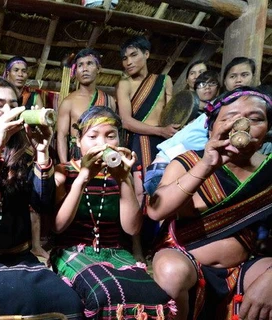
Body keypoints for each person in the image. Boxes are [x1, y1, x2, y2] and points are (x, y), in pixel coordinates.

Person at [0, 76, 84, 318]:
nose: (9, 111)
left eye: (13, 104)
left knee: (68, 303)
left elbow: (42, 204)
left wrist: (42, 152)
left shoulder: (24, 154)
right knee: (17, 302)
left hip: (21, 256)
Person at [148, 87, 272, 320]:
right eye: (229, 118)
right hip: (184, 258)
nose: (241, 125)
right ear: (212, 126)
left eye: (255, 119)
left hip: (245, 265)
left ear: (268, 128)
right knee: (171, 272)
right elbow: (156, 211)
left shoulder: (269, 171)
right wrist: (207, 166)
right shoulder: (189, 161)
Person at [51, 106, 176, 319]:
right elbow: (58, 227)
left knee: (151, 296)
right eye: (93, 136)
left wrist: (123, 179)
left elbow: (132, 227)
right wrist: (83, 177)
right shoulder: (65, 172)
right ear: (78, 140)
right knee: (104, 293)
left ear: (120, 140)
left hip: (115, 252)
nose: (103, 144)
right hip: (72, 250)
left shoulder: (123, 174)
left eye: (111, 136)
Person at [144, 58, 255, 196]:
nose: (238, 80)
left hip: (171, 168)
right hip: (163, 171)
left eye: (244, 75)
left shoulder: (220, 110)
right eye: (233, 76)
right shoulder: (216, 111)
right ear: (225, 82)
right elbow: (190, 141)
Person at [116, 35, 178, 261]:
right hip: (138, 142)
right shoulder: (124, 84)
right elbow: (126, 121)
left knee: (165, 191)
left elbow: (172, 112)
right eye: (124, 58)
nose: (128, 62)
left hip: (164, 143)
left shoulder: (164, 80)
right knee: (139, 193)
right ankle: (137, 248)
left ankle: (163, 245)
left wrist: (170, 131)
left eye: (133, 55)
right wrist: (160, 130)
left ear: (147, 54)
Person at [4, 55, 49, 260]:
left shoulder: (34, 98)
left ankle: (36, 245)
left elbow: (43, 122)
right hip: (9, 152)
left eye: (24, 71)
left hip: (30, 152)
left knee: (34, 200)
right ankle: (12, 242)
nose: (20, 74)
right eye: (16, 70)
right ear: (7, 73)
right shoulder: (3, 97)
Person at [57, 48, 116, 164]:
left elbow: (113, 132)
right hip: (77, 158)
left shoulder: (109, 100)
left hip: (104, 155)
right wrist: (64, 165)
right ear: (76, 71)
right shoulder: (68, 102)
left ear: (98, 68)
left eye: (89, 64)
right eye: (80, 65)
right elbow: (61, 136)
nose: (84, 69)